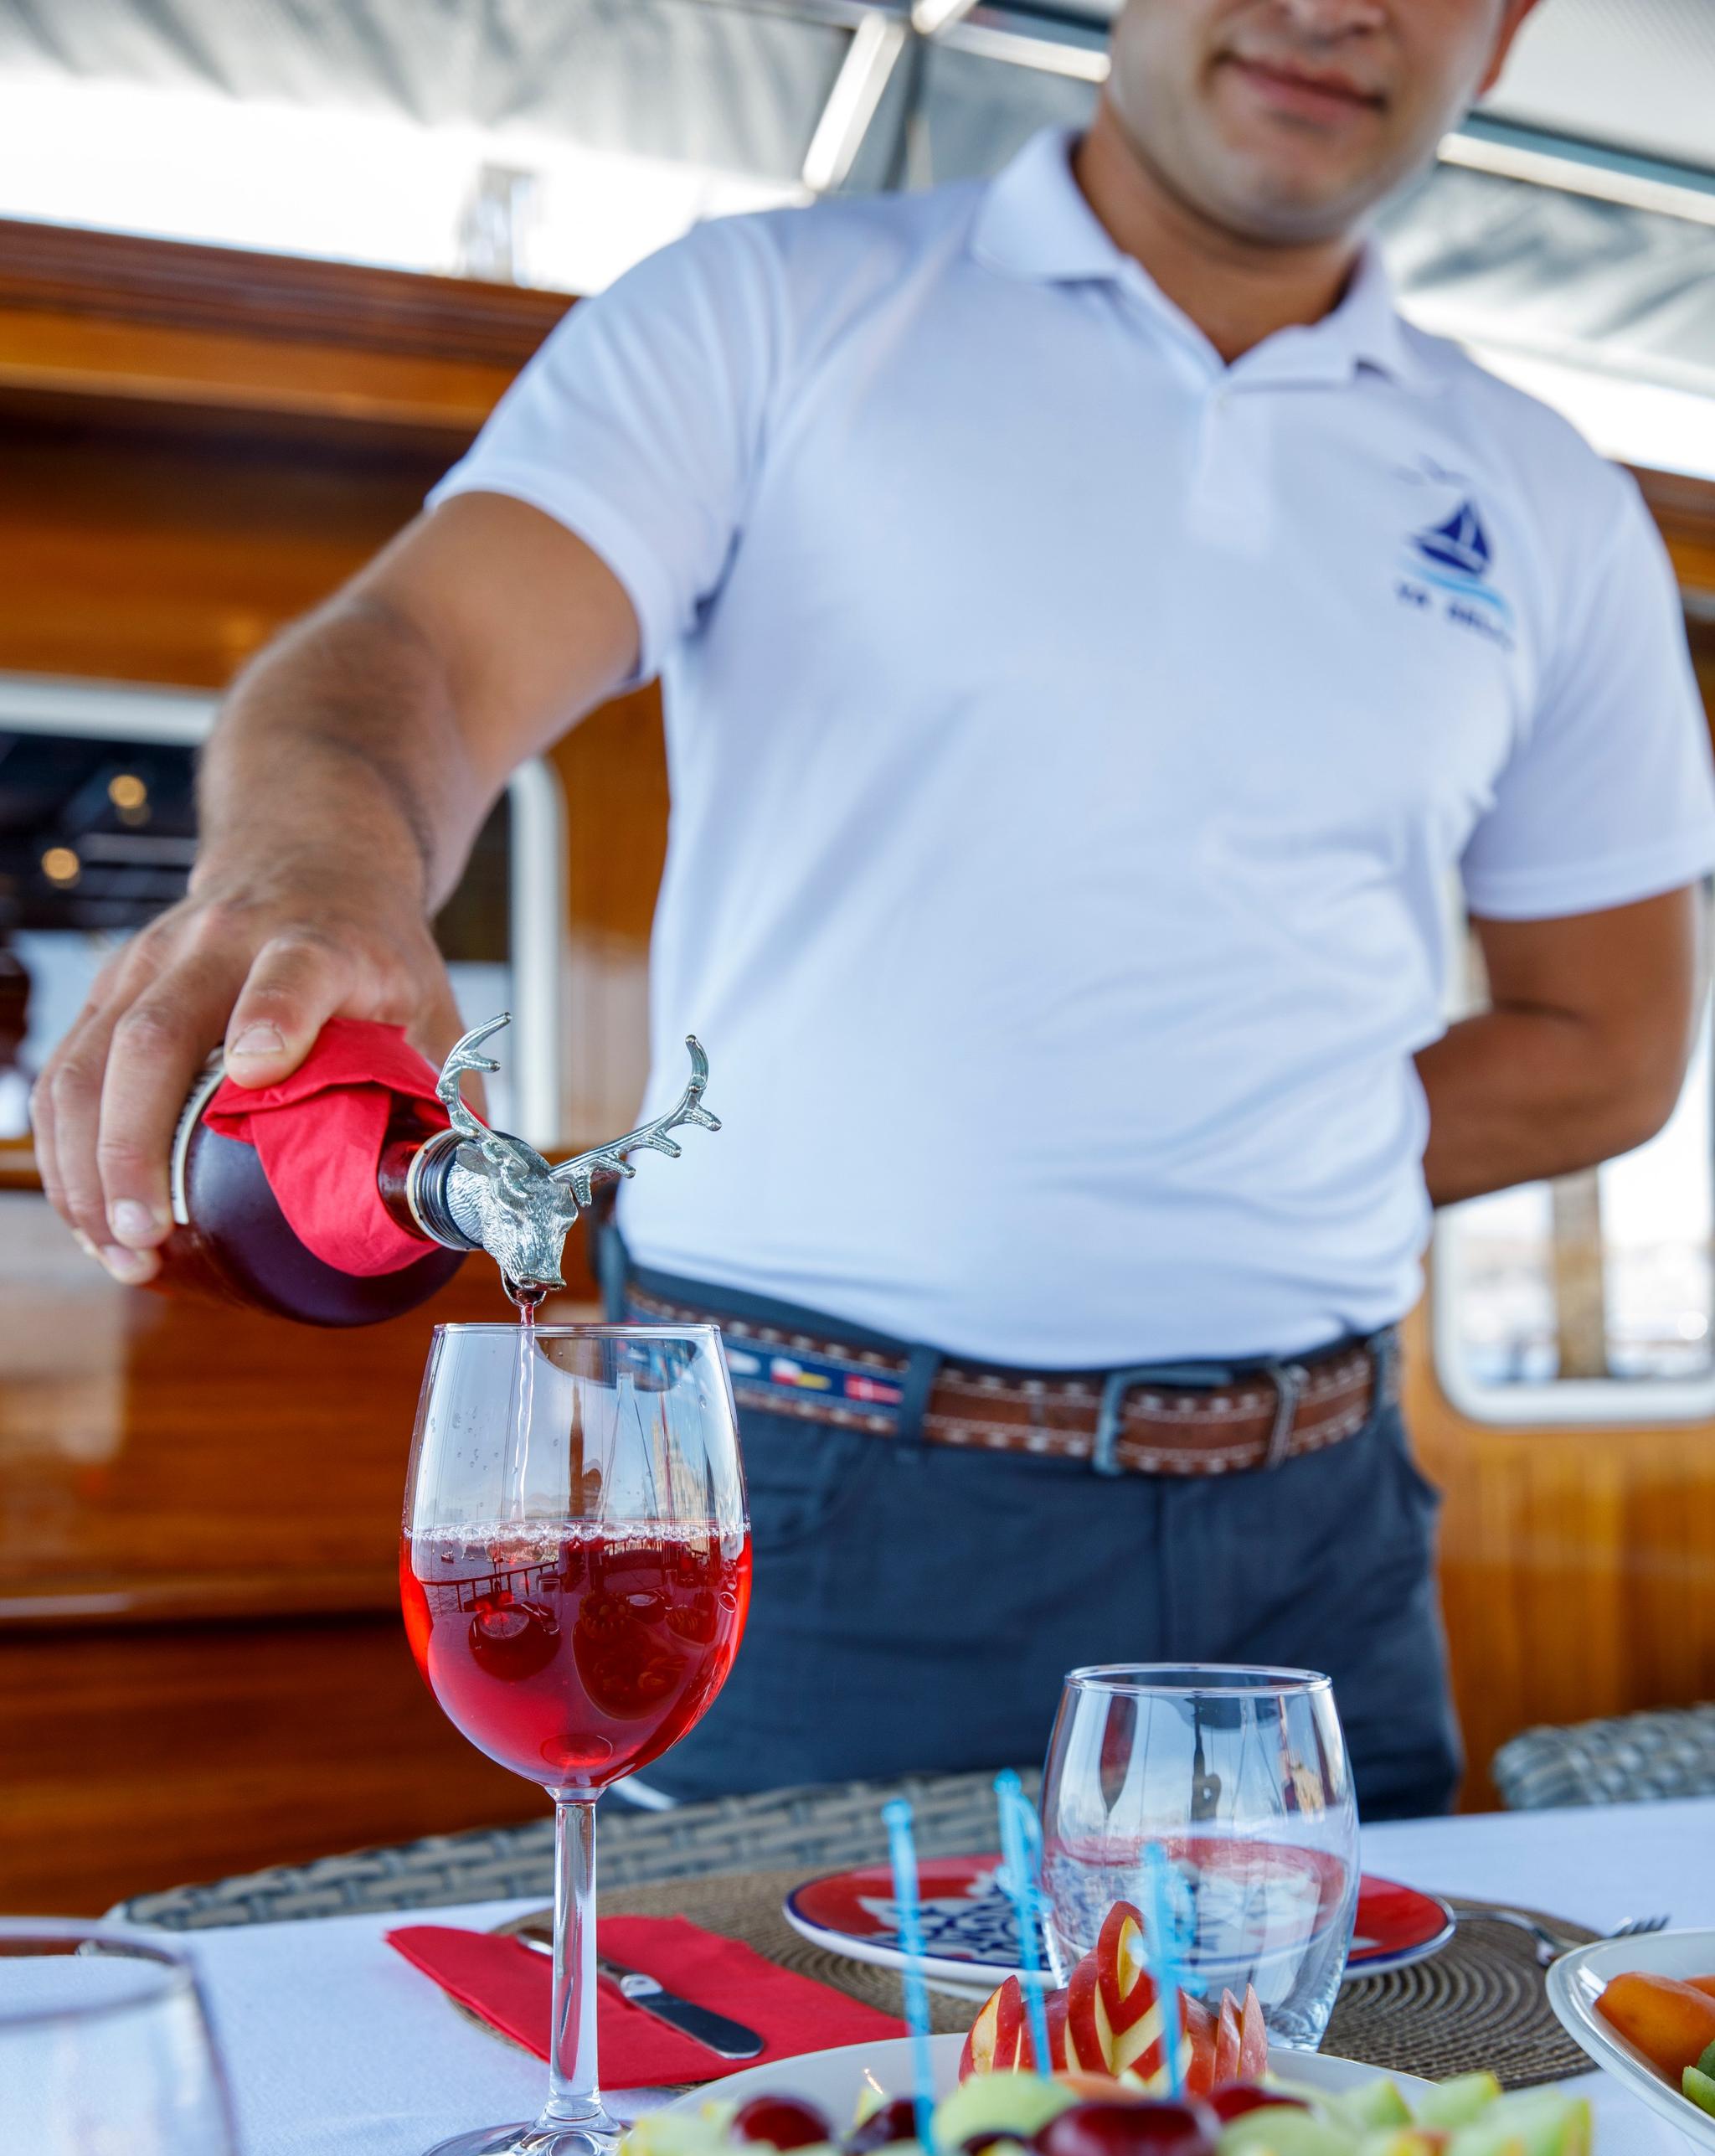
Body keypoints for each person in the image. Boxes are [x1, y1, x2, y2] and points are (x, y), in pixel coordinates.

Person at [33, 0, 1715, 1820]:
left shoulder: (1548, 501)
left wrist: (1222, 1137)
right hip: (813, 1500)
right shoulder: (765, 314)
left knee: (1323, 2101)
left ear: (1510, 28)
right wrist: (318, 877)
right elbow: (414, 655)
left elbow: (1610, 1047)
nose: (1328, 8)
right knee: (758, 2103)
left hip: (1307, 1535)